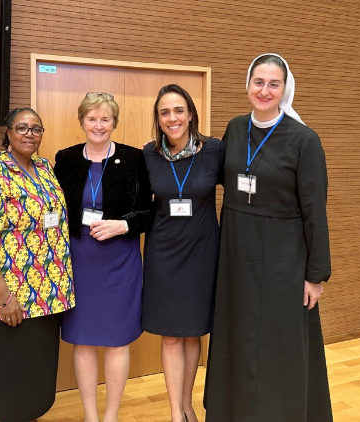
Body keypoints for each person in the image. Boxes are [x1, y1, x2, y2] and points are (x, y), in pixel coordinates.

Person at [204, 53, 333, 421]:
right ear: (248, 85)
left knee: (280, 340)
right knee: (238, 335)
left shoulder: (304, 140)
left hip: (284, 255)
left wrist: (315, 274)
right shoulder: (235, 127)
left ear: (284, 88)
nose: (265, 90)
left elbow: (315, 211)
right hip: (236, 250)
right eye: (258, 82)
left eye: (273, 84)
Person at [0, 107, 74, 422]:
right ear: (9, 133)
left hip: (45, 293)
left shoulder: (44, 167)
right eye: (22, 128)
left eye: (37, 128)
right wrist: (4, 296)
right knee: (8, 385)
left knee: (34, 382)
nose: (30, 134)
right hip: (8, 298)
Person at [53, 92, 152, 422]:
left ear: (114, 123)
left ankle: (110, 416)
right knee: (82, 342)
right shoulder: (65, 159)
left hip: (119, 263)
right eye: (92, 118)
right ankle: (91, 417)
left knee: (116, 341)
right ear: (81, 121)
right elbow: (55, 208)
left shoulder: (135, 159)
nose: (98, 125)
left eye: (105, 119)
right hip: (78, 263)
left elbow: (150, 212)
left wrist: (122, 225)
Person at [141, 84, 224, 422]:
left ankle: (188, 403)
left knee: (193, 333)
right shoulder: (148, 154)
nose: (172, 118)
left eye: (178, 110)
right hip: (164, 255)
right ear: (158, 119)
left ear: (190, 113)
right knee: (172, 337)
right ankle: (177, 412)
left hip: (203, 252)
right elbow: (140, 207)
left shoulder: (215, 150)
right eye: (165, 112)